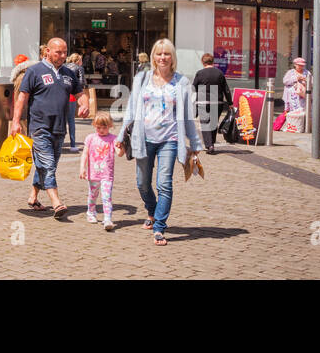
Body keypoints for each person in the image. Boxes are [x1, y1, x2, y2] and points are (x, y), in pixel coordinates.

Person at [117, 38, 204, 245]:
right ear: (153, 57)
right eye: (159, 53)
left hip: (170, 139)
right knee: (142, 183)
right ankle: (152, 211)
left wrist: (195, 145)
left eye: (166, 54)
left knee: (164, 183)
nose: (162, 57)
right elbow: (131, 109)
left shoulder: (181, 82)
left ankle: (159, 227)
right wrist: (121, 135)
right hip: (143, 137)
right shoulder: (141, 78)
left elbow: (186, 117)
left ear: (172, 57)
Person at [10, 37, 84, 218]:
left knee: (48, 165)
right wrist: (15, 121)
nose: (63, 55)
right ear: (47, 52)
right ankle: (57, 202)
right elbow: (22, 98)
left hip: (59, 127)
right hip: (39, 126)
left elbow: (80, 92)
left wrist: (84, 103)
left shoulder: (68, 73)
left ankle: (33, 197)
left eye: (65, 52)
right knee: (48, 164)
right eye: (58, 52)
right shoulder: (34, 71)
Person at [79, 111, 117, 230]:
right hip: (93, 173)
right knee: (93, 195)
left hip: (107, 174)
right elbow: (85, 153)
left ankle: (107, 219)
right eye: (98, 127)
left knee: (107, 197)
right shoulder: (90, 138)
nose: (101, 130)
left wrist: (123, 146)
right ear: (94, 125)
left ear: (110, 126)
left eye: (104, 127)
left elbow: (120, 153)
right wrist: (82, 168)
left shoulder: (113, 139)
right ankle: (91, 212)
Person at [192, 53, 231, 152]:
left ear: (203, 62)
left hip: (203, 101)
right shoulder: (219, 73)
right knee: (213, 123)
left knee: (205, 123)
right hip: (217, 102)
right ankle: (212, 143)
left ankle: (209, 145)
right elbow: (226, 89)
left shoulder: (200, 73)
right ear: (212, 62)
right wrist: (230, 102)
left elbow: (194, 87)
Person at [63, 53, 86, 153]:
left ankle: (59, 143)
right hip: (72, 96)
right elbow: (81, 82)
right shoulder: (79, 68)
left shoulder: (63, 66)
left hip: (62, 95)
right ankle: (72, 144)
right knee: (71, 120)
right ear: (78, 60)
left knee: (61, 120)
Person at [281, 56, 310, 133]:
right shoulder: (290, 72)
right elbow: (285, 81)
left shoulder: (307, 72)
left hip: (302, 96)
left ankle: (302, 126)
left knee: (302, 111)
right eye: (299, 65)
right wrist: (296, 79)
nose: (301, 67)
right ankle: (292, 126)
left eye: (302, 65)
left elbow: (312, 83)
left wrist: (305, 81)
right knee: (291, 111)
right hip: (291, 96)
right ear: (295, 65)